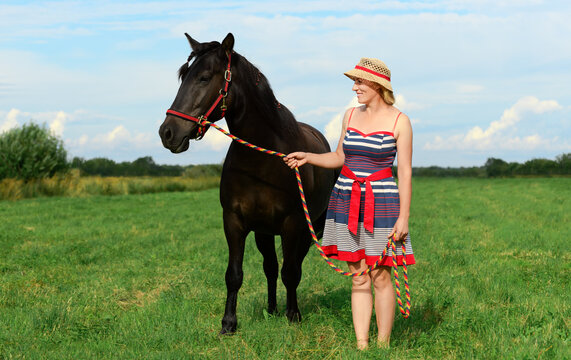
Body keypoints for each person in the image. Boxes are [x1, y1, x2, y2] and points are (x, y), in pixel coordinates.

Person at [284, 58, 415, 349]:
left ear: (378, 85)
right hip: (346, 198)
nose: (354, 87)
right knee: (358, 277)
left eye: (359, 82)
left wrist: (403, 217)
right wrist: (309, 156)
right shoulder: (350, 115)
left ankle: (382, 345)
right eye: (353, 82)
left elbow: (404, 172)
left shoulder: (400, 121)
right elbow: (340, 157)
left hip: (381, 203)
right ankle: (362, 345)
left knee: (381, 276)